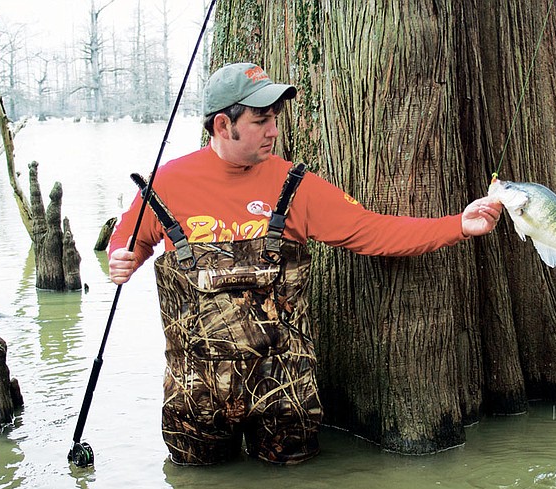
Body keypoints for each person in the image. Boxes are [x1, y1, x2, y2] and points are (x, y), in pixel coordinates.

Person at [108, 62, 503, 466]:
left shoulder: (294, 185)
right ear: (224, 125)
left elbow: (372, 232)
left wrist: (458, 226)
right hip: (195, 398)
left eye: (274, 118)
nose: (274, 131)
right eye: (262, 120)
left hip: (286, 394)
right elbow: (130, 239)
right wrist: (124, 260)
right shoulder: (167, 184)